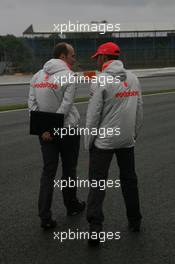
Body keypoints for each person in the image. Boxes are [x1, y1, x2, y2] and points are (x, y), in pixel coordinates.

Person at [85, 42, 143, 246]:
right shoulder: (134, 78)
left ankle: (95, 229)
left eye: (97, 58)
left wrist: (88, 143)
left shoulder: (100, 80)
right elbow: (139, 110)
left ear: (103, 58)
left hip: (104, 142)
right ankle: (135, 220)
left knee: (97, 183)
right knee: (129, 180)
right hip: (126, 140)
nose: (97, 61)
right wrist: (132, 135)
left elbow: (93, 116)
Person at [28, 42, 85, 230]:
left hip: (44, 134)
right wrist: (54, 129)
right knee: (69, 169)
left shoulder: (37, 76)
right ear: (63, 56)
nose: (74, 59)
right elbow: (66, 106)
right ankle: (71, 206)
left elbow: (32, 105)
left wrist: (44, 130)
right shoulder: (70, 76)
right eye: (72, 55)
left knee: (48, 172)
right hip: (67, 130)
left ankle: (44, 215)